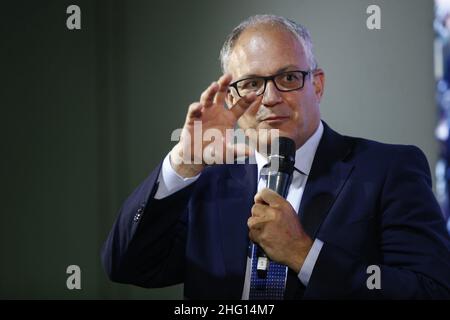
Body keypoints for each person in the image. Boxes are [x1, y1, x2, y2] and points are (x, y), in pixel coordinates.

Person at [101, 14, 450, 299]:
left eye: (287, 77)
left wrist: (303, 253)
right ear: (230, 96)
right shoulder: (208, 179)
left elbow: (432, 291)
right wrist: (183, 162)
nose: (269, 98)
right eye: (252, 83)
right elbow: (126, 265)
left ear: (317, 84)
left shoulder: (388, 170)